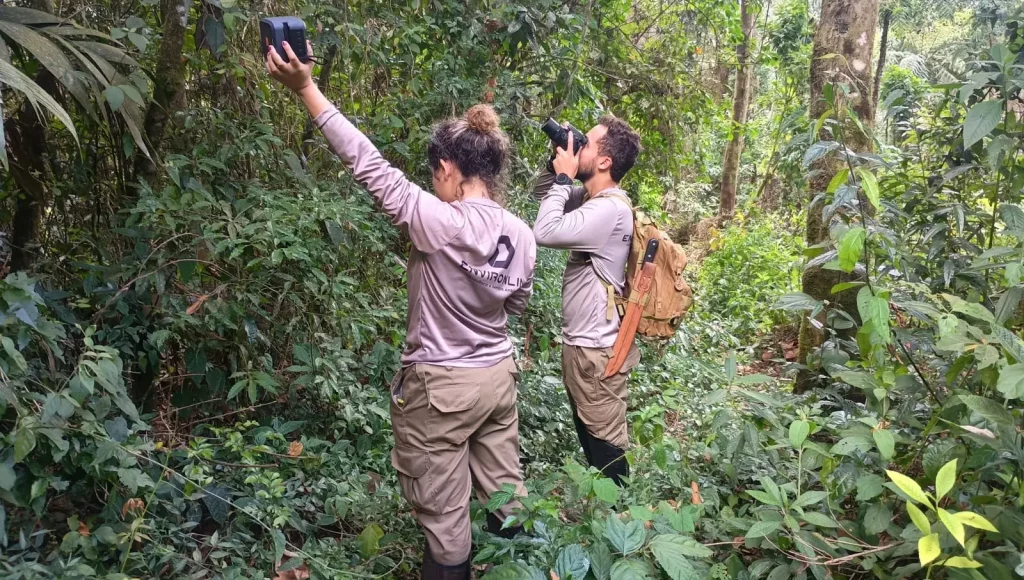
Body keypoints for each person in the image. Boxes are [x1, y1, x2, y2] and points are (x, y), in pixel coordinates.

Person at [266, 41, 536, 580]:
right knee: (508, 495)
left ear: (447, 169)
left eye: (435, 174)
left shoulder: (441, 220)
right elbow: (517, 303)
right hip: (497, 379)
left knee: (444, 519)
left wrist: (306, 89)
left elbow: (368, 165)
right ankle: (534, 567)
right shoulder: (523, 234)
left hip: (441, 388)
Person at [531, 117, 642, 485]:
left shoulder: (609, 208)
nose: (580, 147)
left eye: (588, 144)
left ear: (606, 162)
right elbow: (539, 195)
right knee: (592, 438)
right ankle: (608, 518)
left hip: (596, 349)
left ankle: (622, 520)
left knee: (605, 444)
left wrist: (565, 179)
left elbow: (544, 230)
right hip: (584, 345)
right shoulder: (592, 199)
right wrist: (559, 162)